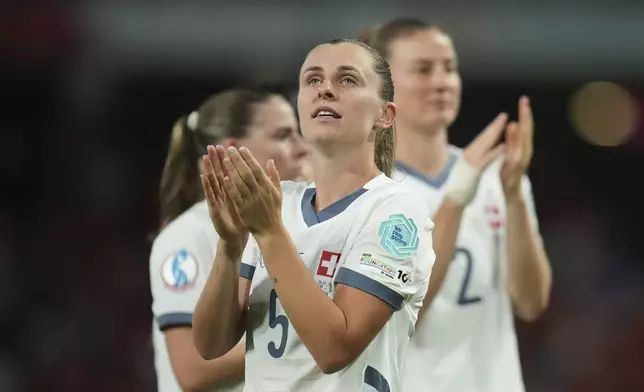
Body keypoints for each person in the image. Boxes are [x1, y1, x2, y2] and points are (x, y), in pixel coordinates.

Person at [192, 38, 436, 391]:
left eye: (347, 79)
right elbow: (209, 345)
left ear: (384, 115)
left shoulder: (397, 212)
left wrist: (271, 234)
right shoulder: (278, 202)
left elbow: (334, 349)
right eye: (313, 80)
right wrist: (229, 246)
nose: (325, 90)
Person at [360, 18, 552, 392]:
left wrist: (513, 197)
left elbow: (531, 303)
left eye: (450, 68)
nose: (442, 82)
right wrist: (459, 192)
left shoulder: (499, 177)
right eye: (423, 69)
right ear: (381, 88)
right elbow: (397, 315)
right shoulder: (369, 191)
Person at [149, 88, 308, 392]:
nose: (302, 148)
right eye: (284, 135)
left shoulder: (286, 231)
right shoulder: (186, 237)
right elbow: (192, 370)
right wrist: (305, 337)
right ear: (232, 151)